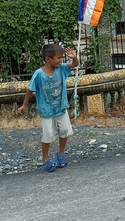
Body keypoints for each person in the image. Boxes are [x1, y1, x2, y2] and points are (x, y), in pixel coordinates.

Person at [17, 44, 79, 172]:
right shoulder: (39, 74)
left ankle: (61, 153)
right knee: (48, 135)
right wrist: (24, 105)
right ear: (47, 59)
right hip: (47, 111)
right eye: (58, 58)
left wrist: (74, 57)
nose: (60, 60)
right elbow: (30, 90)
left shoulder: (61, 69)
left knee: (65, 130)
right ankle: (45, 158)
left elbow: (74, 65)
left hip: (61, 107)